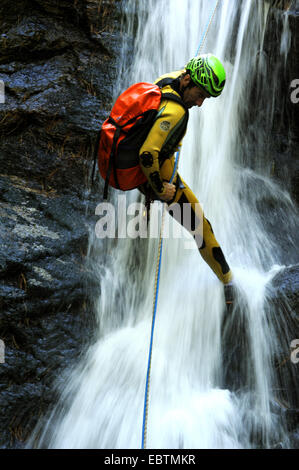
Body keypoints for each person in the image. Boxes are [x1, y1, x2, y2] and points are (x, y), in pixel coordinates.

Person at [137, 54, 233, 291]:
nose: (200, 103)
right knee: (201, 227)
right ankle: (230, 284)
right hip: (157, 175)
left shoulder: (170, 78)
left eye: (205, 98)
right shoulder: (176, 111)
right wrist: (161, 189)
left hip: (149, 164)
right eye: (200, 95)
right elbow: (147, 154)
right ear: (188, 80)